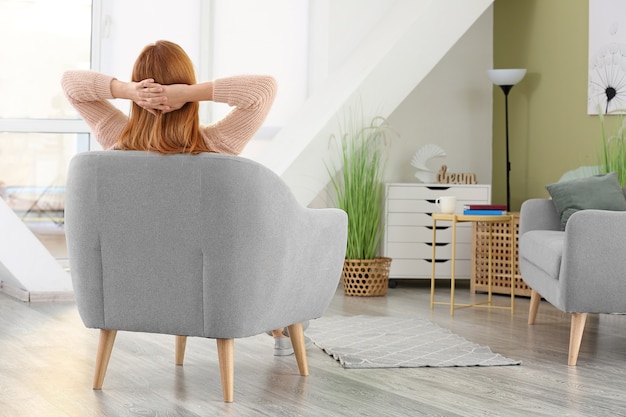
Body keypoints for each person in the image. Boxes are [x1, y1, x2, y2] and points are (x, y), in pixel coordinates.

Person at [61, 39, 302, 356]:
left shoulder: (116, 138)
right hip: (208, 285)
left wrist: (127, 90)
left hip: (138, 280)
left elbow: (70, 84)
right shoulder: (214, 144)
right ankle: (282, 326)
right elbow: (264, 89)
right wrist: (188, 93)